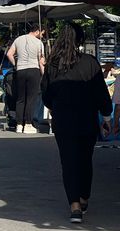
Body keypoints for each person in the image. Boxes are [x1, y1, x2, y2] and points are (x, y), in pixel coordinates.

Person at [41, 23, 112, 224]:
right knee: (85, 159)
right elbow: (101, 92)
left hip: (63, 120)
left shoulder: (53, 65)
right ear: (80, 40)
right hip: (87, 118)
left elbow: (46, 93)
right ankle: (83, 197)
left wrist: (54, 105)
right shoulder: (90, 62)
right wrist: (106, 117)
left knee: (68, 161)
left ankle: (74, 206)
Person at [7, 24, 45, 134]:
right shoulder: (39, 43)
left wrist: (16, 64)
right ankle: (28, 124)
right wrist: (44, 75)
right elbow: (41, 61)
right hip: (34, 70)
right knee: (31, 98)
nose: (42, 35)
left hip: (20, 70)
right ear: (37, 31)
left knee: (20, 98)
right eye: (42, 33)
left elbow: (9, 54)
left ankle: (19, 125)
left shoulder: (18, 39)